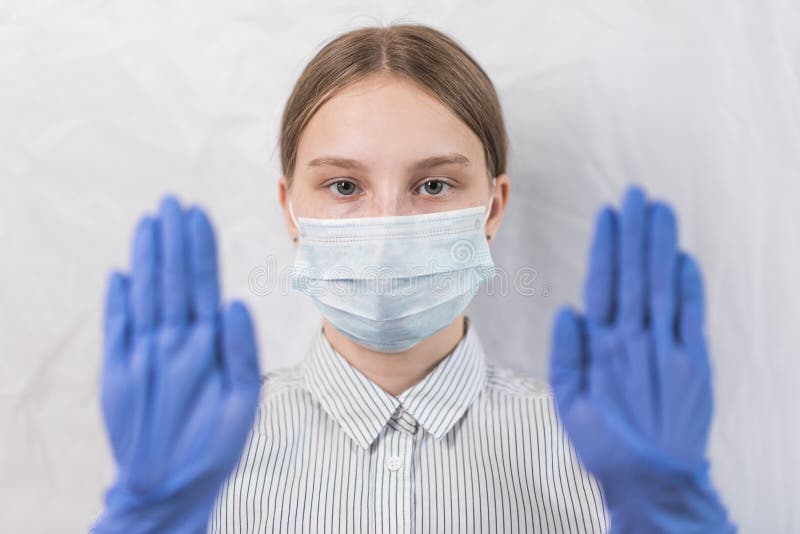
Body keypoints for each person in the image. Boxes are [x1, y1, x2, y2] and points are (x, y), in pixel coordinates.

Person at [91, 23, 737, 533]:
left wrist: (672, 516)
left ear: (494, 206)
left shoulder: (607, 446)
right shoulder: (193, 450)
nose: (387, 224)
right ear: (290, 207)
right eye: (344, 185)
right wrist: (149, 519)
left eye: (433, 184)